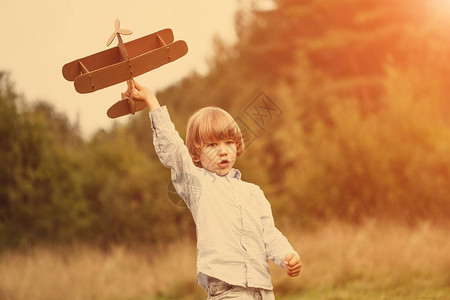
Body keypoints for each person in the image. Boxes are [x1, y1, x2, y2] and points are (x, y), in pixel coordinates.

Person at [124, 80, 302, 299]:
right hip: (227, 291)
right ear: (196, 154)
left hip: (263, 290)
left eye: (228, 142)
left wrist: (286, 255)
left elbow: (269, 234)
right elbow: (173, 148)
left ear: (237, 145)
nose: (223, 151)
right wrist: (151, 100)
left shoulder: (254, 192)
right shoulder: (198, 185)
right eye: (212, 145)